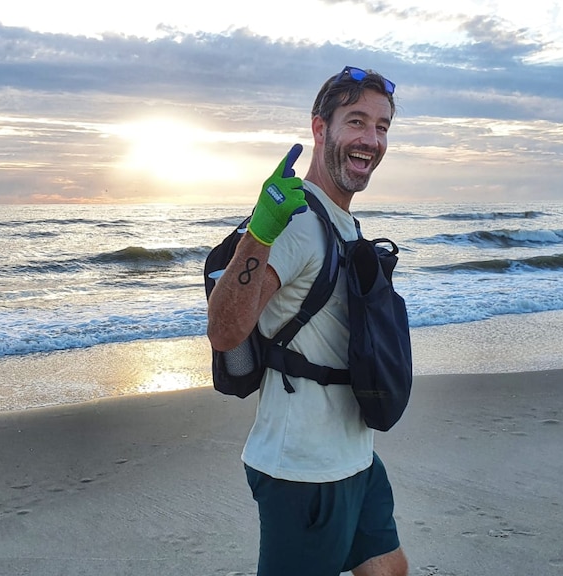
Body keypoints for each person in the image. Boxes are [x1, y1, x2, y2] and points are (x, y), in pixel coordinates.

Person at [206, 66, 407, 576]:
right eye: (356, 122)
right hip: (304, 472)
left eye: (381, 127)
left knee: (389, 569)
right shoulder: (296, 226)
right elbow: (225, 332)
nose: (371, 140)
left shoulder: (341, 221)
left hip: (355, 457)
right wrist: (262, 230)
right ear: (320, 129)